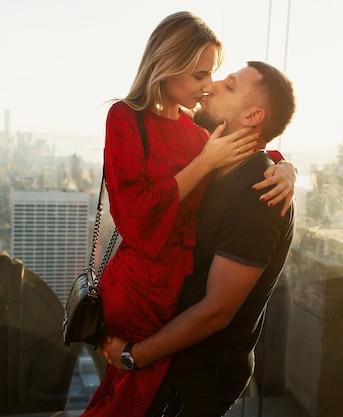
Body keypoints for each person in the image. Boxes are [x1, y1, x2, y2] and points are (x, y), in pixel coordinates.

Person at [81, 12, 296, 417]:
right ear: (168, 66)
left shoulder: (220, 155)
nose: (209, 86)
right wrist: (275, 165)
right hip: (150, 313)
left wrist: (285, 168)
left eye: (219, 80)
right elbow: (136, 218)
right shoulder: (145, 125)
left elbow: (216, 310)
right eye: (201, 75)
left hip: (184, 349)